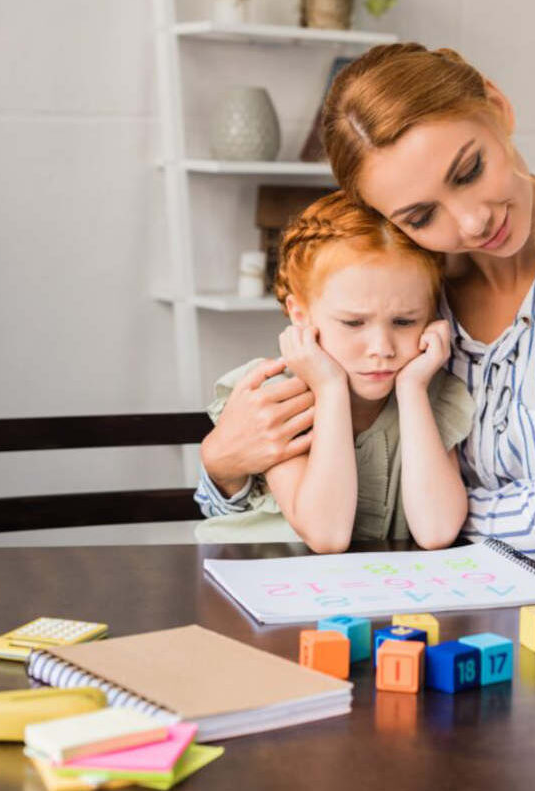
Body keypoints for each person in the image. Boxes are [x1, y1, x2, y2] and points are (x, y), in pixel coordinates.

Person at [198, 42, 535, 563]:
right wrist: (223, 466)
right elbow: (335, 459)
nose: (470, 223)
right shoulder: (407, 281)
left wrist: (413, 518)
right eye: (420, 216)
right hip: (446, 568)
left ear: (497, 106)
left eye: (468, 171)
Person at [195, 191, 474, 553]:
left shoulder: (429, 392)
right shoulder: (277, 393)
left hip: (366, 592)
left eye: (405, 321)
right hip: (260, 585)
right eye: (353, 322)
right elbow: (327, 535)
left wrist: (412, 389)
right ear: (300, 315)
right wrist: (329, 389)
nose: (382, 347)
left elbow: (436, 530)